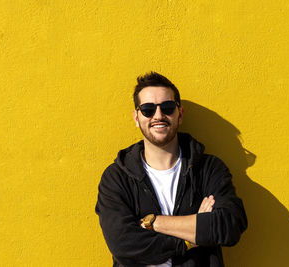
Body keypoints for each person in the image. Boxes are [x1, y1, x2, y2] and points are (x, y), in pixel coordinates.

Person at [95, 72, 247, 267]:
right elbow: (123, 243)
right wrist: (190, 238)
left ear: (180, 114)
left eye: (167, 107)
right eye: (148, 109)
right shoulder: (117, 177)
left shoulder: (208, 169)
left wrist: (153, 222)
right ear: (136, 117)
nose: (158, 116)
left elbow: (229, 225)